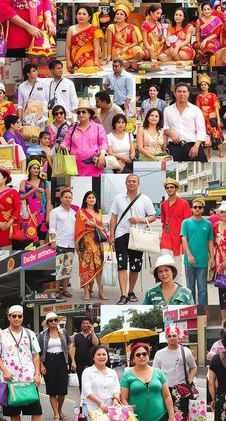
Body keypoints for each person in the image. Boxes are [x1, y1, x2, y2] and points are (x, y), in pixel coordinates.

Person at [109, 174, 156, 305]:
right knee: (122, 265)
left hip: (138, 235)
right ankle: (123, 294)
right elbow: (113, 217)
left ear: (138, 183)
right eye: (129, 181)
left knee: (135, 266)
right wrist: (111, 236)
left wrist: (139, 220)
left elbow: (153, 217)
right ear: (125, 183)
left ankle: (131, 291)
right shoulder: (118, 198)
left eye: (134, 181)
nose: (131, 183)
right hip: (121, 234)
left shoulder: (145, 199)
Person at [0, 305, 43, 421]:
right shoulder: (1, 334)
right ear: (9, 317)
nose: (17, 318)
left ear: (22, 317)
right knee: (14, 413)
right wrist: (4, 371)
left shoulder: (30, 334)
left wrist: (37, 374)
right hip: (10, 379)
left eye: (19, 316)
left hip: (29, 378)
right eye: (14, 316)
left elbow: (36, 355)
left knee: (36, 411)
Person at [153, 327, 196, 421]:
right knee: (166, 416)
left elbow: (193, 368)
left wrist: (189, 381)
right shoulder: (159, 354)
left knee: (182, 417)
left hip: (182, 390)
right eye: (169, 336)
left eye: (174, 335)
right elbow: (155, 373)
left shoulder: (186, 351)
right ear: (166, 337)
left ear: (178, 337)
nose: (172, 338)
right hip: (164, 390)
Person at [73, 190, 107, 301]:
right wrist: (77, 244)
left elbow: (102, 229)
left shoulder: (99, 212)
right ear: (85, 200)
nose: (91, 199)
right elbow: (78, 229)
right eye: (89, 197)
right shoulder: (80, 212)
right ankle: (86, 292)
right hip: (85, 243)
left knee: (99, 267)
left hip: (97, 242)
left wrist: (95, 225)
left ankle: (101, 291)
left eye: (93, 197)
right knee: (85, 267)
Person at [163, 83, 209, 162]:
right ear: (174, 94)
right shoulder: (167, 110)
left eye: (184, 92)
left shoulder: (196, 110)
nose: (182, 94)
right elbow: (165, 127)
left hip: (192, 145)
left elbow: (201, 130)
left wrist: (196, 146)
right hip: (174, 146)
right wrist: (171, 134)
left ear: (188, 94)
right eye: (179, 91)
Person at [36, 312, 69, 421]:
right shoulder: (43, 335)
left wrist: (72, 361)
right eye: (51, 320)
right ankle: (56, 413)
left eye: (55, 320)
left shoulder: (63, 332)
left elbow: (70, 345)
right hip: (49, 361)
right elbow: (38, 352)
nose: (54, 322)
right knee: (52, 389)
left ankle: (60, 409)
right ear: (47, 323)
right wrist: (41, 365)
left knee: (62, 390)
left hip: (62, 360)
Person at [62, 100, 106, 176]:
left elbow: (104, 143)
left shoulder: (98, 127)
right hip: (75, 168)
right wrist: (62, 145)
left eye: (83, 112)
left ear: (90, 114)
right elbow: (65, 143)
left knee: (94, 187)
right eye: (79, 112)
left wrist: (102, 156)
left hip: (94, 167)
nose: (81, 114)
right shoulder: (72, 129)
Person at [80, 345, 120, 415]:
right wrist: (100, 402)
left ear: (107, 357)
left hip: (110, 409)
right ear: (93, 357)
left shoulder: (112, 372)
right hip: (91, 409)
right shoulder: (87, 372)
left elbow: (116, 388)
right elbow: (87, 391)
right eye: (98, 355)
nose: (102, 357)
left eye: (104, 354)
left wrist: (116, 399)